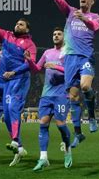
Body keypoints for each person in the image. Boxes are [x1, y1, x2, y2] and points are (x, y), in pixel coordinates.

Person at [0, 0, 37, 166]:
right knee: (7, 111)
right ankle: (19, 147)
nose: (17, 26)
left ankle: (14, 140)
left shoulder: (30, 44)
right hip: (7, 81)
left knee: (13, 108)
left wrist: (13, 71)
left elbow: (30, 65)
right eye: (17, 23)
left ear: (27, 29)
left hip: (19, 79)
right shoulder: (6, 36)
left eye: (21, 24)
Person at [53, 0, 99, 147]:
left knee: (85, 86)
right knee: (73, 98)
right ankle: (79, 133)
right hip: (70, 59)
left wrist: (85, 19)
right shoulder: (71, 12)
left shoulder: (95, 16)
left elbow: (95, 26)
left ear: (92, 1)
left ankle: (92, 117)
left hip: (86, 57)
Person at [26, 27, 72, 171]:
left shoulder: (68, 53)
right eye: (54, 34)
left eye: (59, 34)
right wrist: (29, 61)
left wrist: (56, 67)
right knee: (43, 124)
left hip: (61, 95)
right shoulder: (47, 52)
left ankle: (67, 152)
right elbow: (36, 69)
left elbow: (71, 73)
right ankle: (43, 158)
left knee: (60, 125)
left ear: (64, 37)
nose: (56, 36)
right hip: (46, 95)